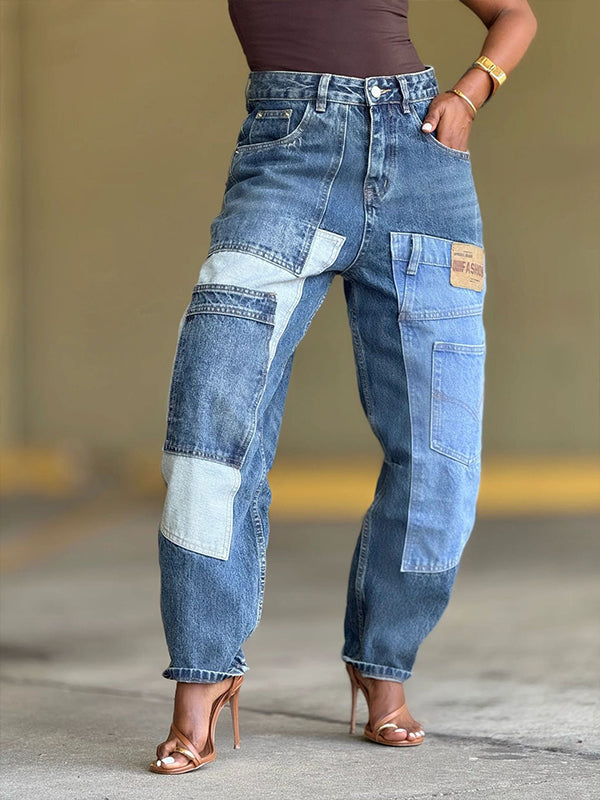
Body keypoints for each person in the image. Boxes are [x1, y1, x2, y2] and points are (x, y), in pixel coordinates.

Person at [150, 0, 537, 774]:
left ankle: (384, 666)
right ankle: (202, 676)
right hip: (287, 155)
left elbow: (515, 15)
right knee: (210, 430)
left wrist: (470, 93)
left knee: (439, 452)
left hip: (423, 160)